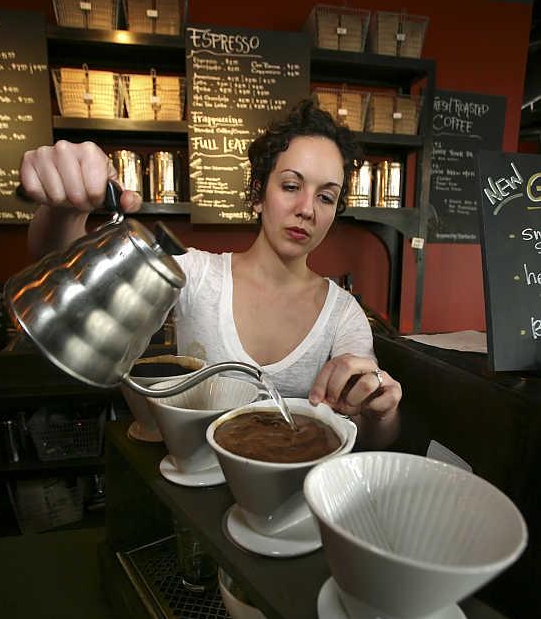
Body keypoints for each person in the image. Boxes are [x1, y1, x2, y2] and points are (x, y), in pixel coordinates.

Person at [20, 99, 402, 448]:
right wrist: (65, 208)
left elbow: (370, 435)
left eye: (326, 197)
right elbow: (68, 268)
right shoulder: (197, 273)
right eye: (290, 186)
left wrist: (380, 410)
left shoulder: (343, 313)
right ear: (257, 194)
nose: (307, 208)